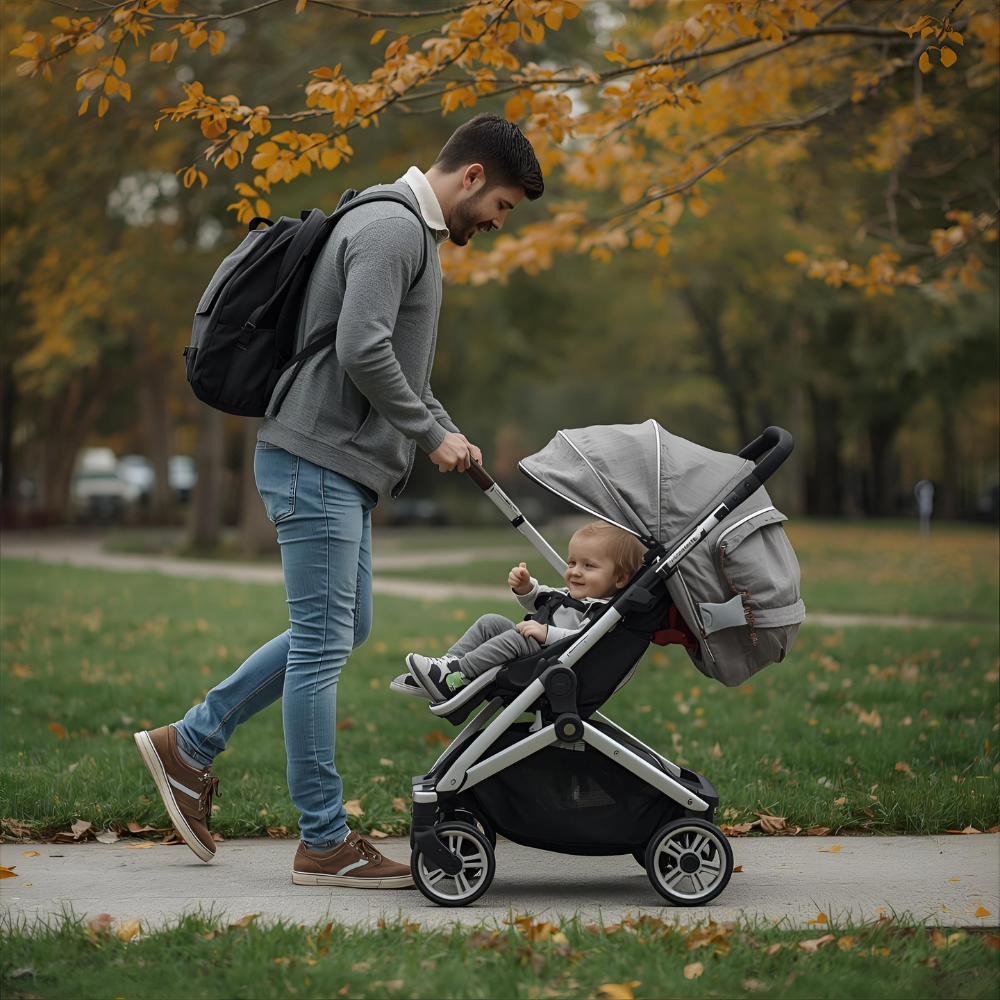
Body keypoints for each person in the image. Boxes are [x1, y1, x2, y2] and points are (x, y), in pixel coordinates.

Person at [133, 113, 544, 888]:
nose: (498, 222)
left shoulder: (404, 230)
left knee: (341, 628)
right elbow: (360, 349)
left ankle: (189, 743)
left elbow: (399, 370)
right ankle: (323, 841)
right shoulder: (394, 230)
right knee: (323, 646)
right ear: (473, 177)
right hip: (316, 462)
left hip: (327, 465)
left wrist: (447, 431)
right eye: (502, 206)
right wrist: (428, 434)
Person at [402, 521, 646, 702]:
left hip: (554, 664)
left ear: (620, 578)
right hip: (538, 650)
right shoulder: (570, 595)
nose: (575, 571)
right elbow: (540, 597)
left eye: (589, 566)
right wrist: (526, 587)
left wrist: (547, 633)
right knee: (490, 622)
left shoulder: (604, 613)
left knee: (515, 638)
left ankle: (457, 676)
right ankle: (447, 666)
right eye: (572, 562)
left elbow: (585, 640)